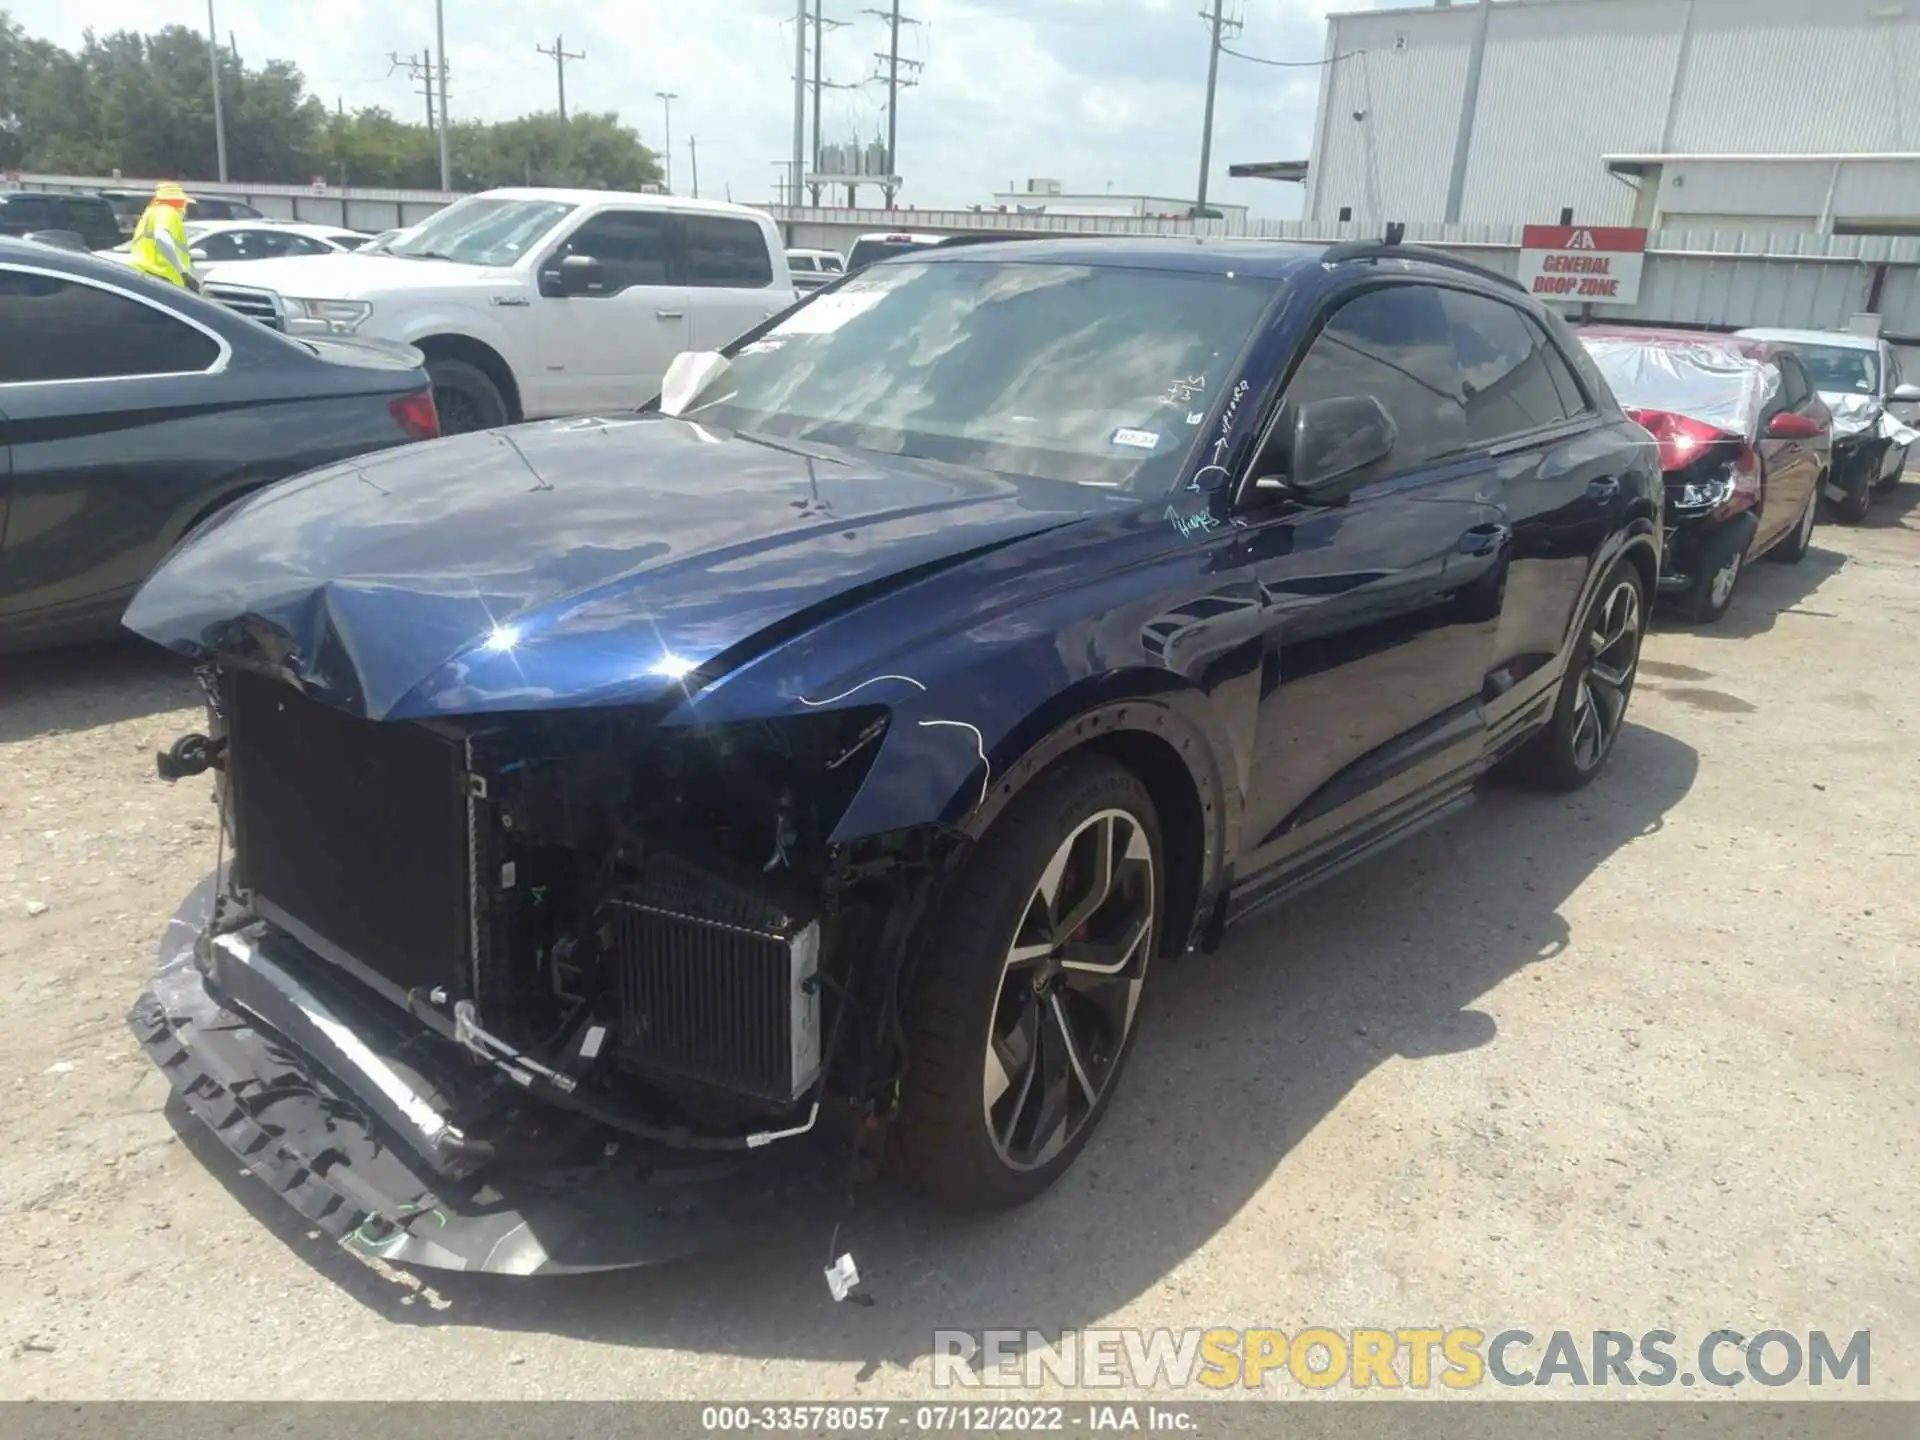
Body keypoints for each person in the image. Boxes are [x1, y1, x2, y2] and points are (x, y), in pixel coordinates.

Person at [128, 182, 196, 290]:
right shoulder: (167, 211)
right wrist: (182, 272)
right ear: (179, 202)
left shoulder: (151, 213)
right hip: (158, 275)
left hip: (144, 273)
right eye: (185, 203)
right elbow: (161, 237)